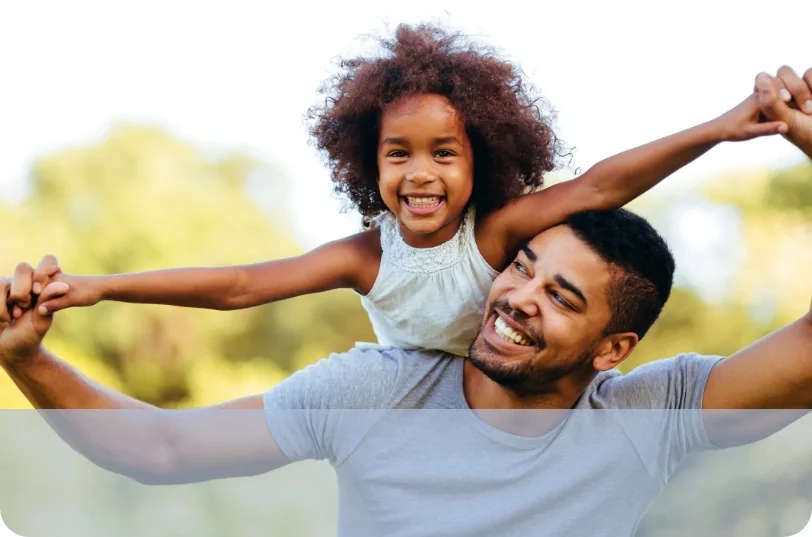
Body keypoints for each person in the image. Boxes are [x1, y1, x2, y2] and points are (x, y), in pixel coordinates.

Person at [1, 69, 811, 537]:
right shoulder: (374, 389)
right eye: (522, 266)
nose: (517, 296)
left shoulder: (649, 413)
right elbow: (160, 447)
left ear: (613, 348)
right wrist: (26, 357)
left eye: (560, 295)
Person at [1, 23, 788, 359]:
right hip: (417, 406)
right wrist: (99, 287)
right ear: (367, 164)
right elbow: (241, 286)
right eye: (397, 154)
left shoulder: (493, 235)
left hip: (515, 391)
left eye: (444, 153)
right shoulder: (363, 258)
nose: (420, 173)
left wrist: (716, 129)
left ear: (479, 159)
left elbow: (601, 183)